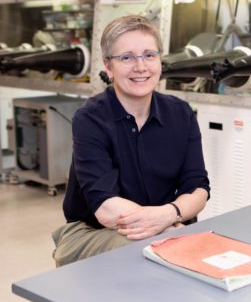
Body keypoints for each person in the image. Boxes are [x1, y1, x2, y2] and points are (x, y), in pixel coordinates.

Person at [52, 15, 210, 267]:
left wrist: (169, 215)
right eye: (127, 57)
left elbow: (198, 188)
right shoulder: (91, 119)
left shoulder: (181, 114)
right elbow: (105, 207)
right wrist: (163, 228)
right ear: (108, 66)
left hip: (168, 224)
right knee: (150, 254)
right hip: (93, 232)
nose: (141, 67)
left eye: (149, 55)